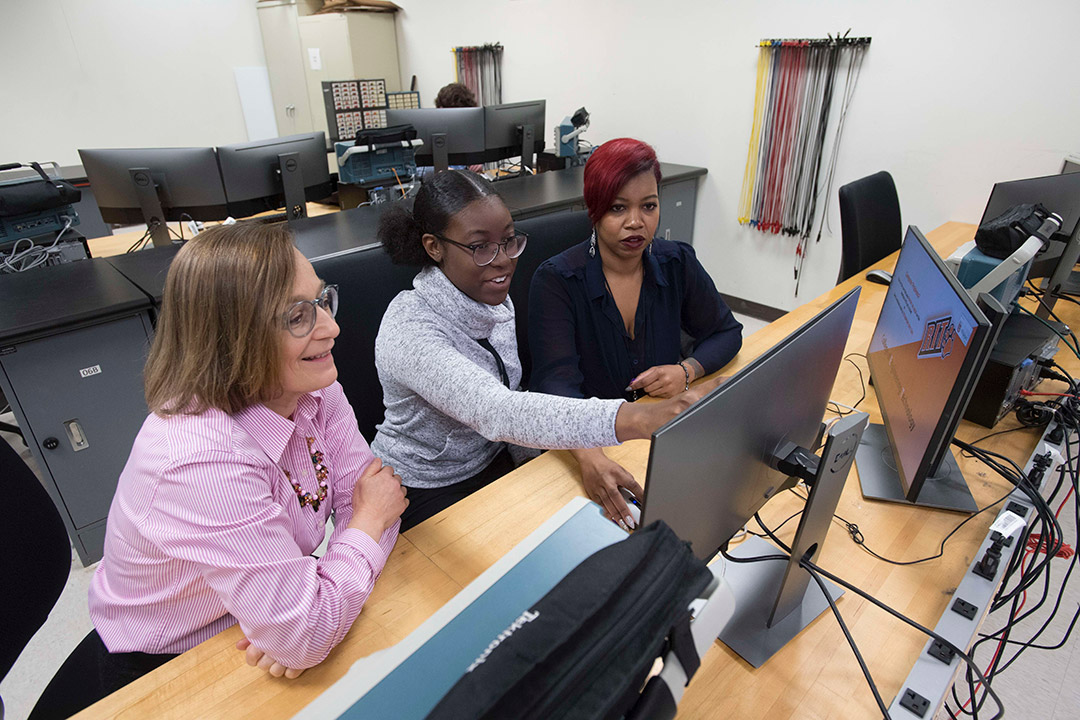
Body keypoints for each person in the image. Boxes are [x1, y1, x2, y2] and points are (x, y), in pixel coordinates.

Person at [40, 222, 408, 718]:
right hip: (168, 659)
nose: (331, 327)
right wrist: (312, 605)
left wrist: (306, 608)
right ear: (234, 339)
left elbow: (369, 494)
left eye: (323, 301)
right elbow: (370, 515)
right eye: (299, 316)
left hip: (247, 617)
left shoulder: (313, 384)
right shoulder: (202, 458)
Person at [372, 170, 715, 531]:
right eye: (481, 247)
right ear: (434, 246)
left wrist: (541, 461)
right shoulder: (409, 328)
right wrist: (641, 418)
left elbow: (512, 394)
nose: (503, 260)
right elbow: (495, 409)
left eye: (508, 241)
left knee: (584, 529)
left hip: (494, 456)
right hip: (423, 484)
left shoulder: (493, 303)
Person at [527, 138, 743, 525]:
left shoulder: (675, 261)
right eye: (617, 208)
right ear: (593, 210)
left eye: (649, 206)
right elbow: (554, 390)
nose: (636, 222)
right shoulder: (557, 281)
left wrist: (687, 370)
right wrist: (591, 458)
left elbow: (727, 332)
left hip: (658, 433)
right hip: (589, 444)